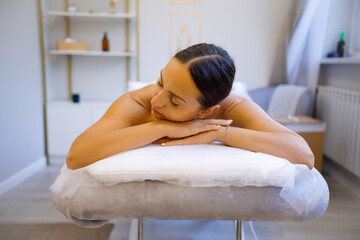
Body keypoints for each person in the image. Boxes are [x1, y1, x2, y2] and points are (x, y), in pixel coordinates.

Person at [66, 43, 314, 170]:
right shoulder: (137, 102)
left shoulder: (232, 108)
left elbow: (304, 155)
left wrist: (220, 133)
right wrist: (163, 127)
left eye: (174, 101)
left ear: (207, 111)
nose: (156, 101)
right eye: (160, 82)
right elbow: (77, 155)